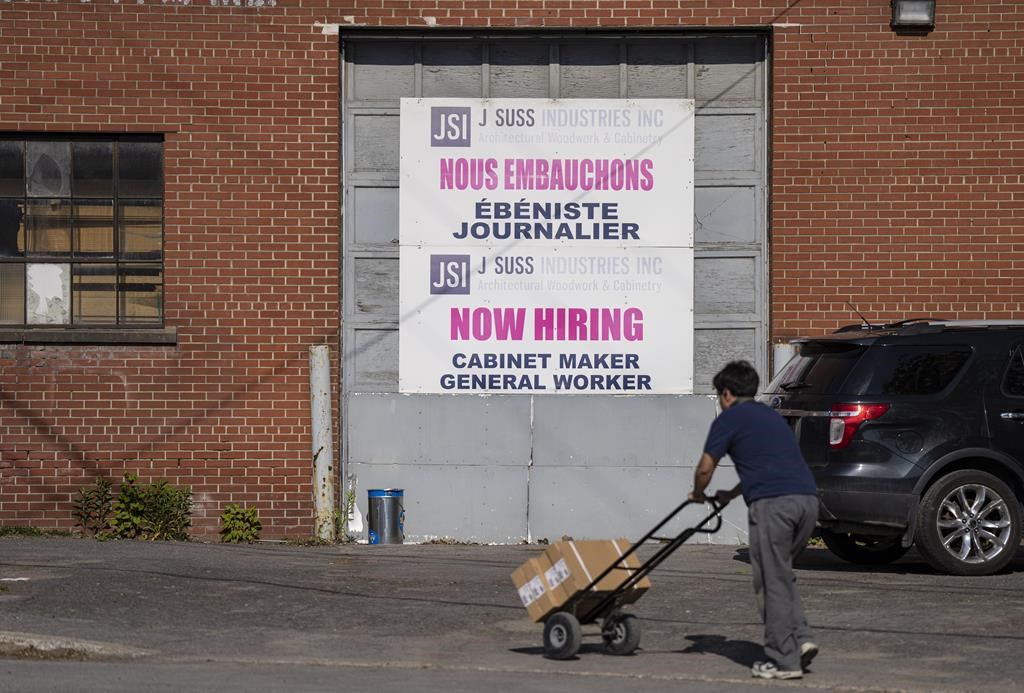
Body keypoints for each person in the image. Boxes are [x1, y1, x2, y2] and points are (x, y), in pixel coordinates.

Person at [689, 360, 819, 680]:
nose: (720, 401)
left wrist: (697, 492)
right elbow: (768, 466)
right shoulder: (769, 415)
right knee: (781, 575)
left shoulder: (729, 418)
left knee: (769, 582)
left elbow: (705, 468)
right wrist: (729, 495)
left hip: (773, 507)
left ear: (728, 393)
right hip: (807, 501)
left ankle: (783, 660)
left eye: (720, 395)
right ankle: (800, 639)